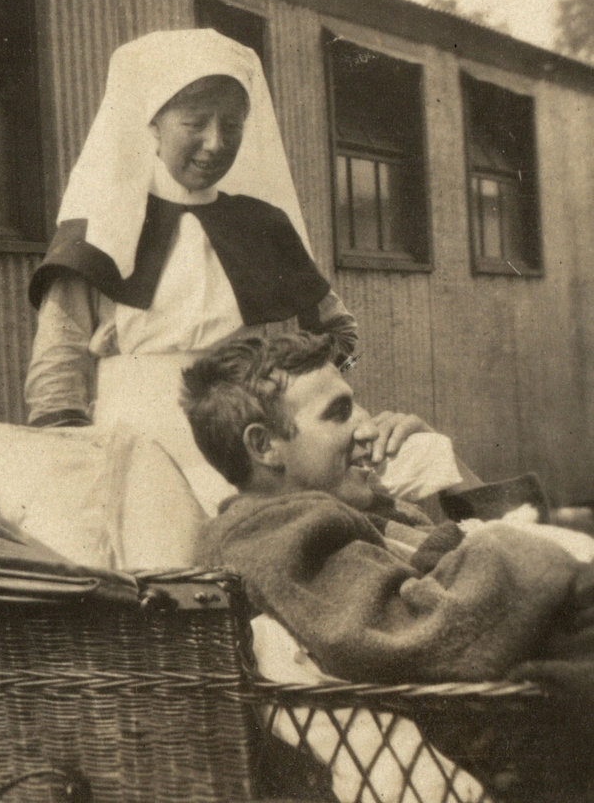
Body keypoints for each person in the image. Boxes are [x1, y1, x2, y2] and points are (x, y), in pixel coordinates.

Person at [184, 331, 594, 802]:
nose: (368, 428)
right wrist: (514, 544)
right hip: (488, 737)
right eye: (338, 414)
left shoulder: (348, 511)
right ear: (264, 446)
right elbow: (411, 635)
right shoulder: (271, 538)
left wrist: (448, 461)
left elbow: (461, 567)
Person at [25, 28, 357, 514]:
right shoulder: (101, 228)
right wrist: (73, 470)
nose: (215, 142)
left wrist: (301, 403)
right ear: (153, 123)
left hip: (247, 459)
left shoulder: (263, 224)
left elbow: (338, 330)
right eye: (196, 122)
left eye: (233, 125)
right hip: (134, 452)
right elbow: (58, 366)